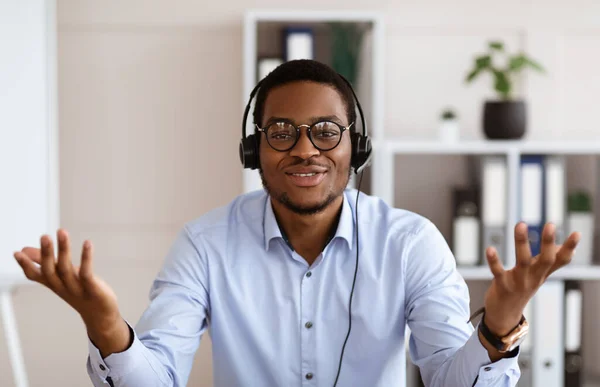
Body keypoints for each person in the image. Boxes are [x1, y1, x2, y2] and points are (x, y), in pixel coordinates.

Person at [13, 60, 580, 387]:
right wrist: (106, 324)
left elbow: (450, 381)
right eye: (281, 132)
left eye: (326, 132)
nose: (305, 149)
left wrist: (498, 328)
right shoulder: (205, 245)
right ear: (253, 149)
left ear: (354, 147)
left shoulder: (408, 243)